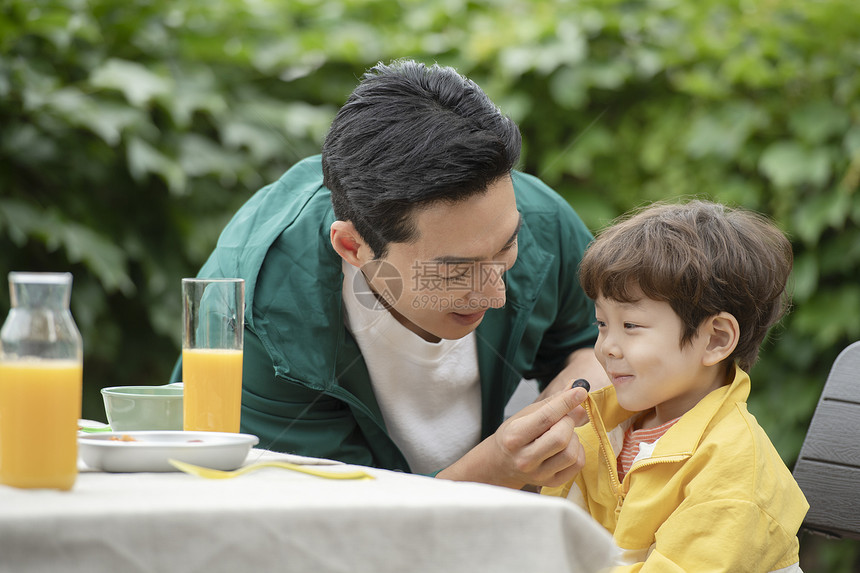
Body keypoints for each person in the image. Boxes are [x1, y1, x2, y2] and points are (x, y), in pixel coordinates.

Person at [175, 59, 608, 489]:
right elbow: (324, 528)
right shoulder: (256, 316)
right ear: (353, 247)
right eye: (456, 271)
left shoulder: (539, 217)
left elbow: (598, 342)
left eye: (507, 246)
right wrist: (492, 471)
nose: (495, 294)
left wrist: (570, 399)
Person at [542, 200, 809, 571]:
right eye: (602, 324)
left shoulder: (735, 467)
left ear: (715, 339)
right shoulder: (598, 429)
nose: (606, 347)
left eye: (630, 326)